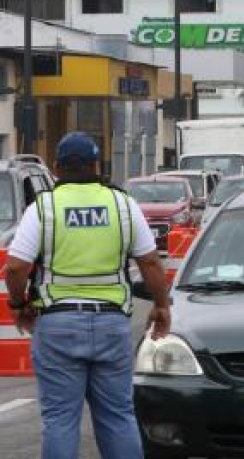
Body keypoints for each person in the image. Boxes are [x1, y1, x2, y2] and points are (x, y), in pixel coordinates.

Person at [3, 133, 172, 459]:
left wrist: (19, 303)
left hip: (58, 326)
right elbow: (150, 261)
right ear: (97, 166)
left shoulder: (44, 207)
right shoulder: (123, 204)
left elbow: (15, 268)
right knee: (118, 417)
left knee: (60, 420)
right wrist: (161, 306)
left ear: (56, 168)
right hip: (111, 324)